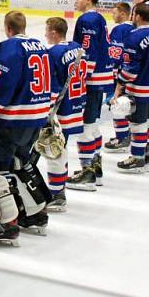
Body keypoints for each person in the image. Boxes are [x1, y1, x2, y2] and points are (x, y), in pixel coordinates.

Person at [0, 11, 51, 244]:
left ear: (7, 28)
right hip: (35, 119)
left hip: (10, 121)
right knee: (20, 164)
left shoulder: (8, 48)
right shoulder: (41, 47)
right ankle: (36, 212)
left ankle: (7, 222)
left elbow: (2, 88)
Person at [111, 3, 149, 173]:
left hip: (141, 86)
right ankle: (146, 155)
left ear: (138, 16)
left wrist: (119, 85)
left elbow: (130, 68)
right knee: (148, 121)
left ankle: (137, 158)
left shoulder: (134, 37)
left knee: (137, 123)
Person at [67, 0, 113, 191]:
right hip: (101, 77)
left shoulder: (86, 20)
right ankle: (95, 169)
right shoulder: (99, 18)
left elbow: (88, 51)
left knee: (86, 125)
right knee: (92, 124)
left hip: (92, 79)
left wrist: (82, 77)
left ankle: (88, 173)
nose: (75, 2)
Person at [43, 16, 87, 212]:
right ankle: (57, 190)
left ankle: (57, 194)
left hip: (62, 110)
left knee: (55, 150)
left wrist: (46, 113)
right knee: (61, 148)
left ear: (54, 32)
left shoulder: (53, 52)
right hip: (78, 104)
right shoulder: (77, 47)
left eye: (47, 30)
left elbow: (52, 87)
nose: (45, 34)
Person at [104, 2, 134, 152]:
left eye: (115, 12)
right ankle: (128, 134)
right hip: (134, 74)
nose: (112, 15)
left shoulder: (119, 29)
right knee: (129, 105)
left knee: (117, 104)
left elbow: (114, 55)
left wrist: (112, 73)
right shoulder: (135, 27)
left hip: (121, 74)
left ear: (123, 13)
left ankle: (122, 138)